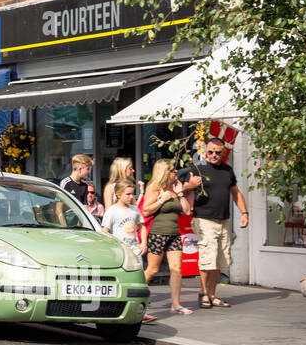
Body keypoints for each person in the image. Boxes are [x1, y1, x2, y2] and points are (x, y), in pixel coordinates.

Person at [179, 136, 249, 309]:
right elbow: (178, 188)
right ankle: (203, 293)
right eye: (210, 152)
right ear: (205, 151)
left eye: (218, 152)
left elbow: (236, 192)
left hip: (223, 219)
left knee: (220, 259)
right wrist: (190, 185)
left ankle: (212, 294)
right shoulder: (197, 168)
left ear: (223, 152)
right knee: (207, 258)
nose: (214, 155)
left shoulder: (227, 170)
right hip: (203, 219)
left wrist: (244, 213)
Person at [141, 159, 193, 315]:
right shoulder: (154, 188)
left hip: (174, 234)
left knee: (176, 269)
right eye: (172, 170)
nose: (175, 172)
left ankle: (176, 304)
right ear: (164, 172)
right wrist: (161, 200)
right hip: (158, 234)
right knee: (152, 270)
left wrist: (180, 193)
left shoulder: (174, 188)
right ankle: (136, 297)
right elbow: (145, 211)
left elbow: (187, 211)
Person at [103, 180, 151, 321]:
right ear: (118, 194)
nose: (131, 197)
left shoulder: (134, 209)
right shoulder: (112, 211)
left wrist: (144, 243)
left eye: (132, 194)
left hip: (135, 250)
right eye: (128, 194)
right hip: (120, 251)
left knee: (140, 279)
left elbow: (142, 226)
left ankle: (143, 310)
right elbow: (105, 231)